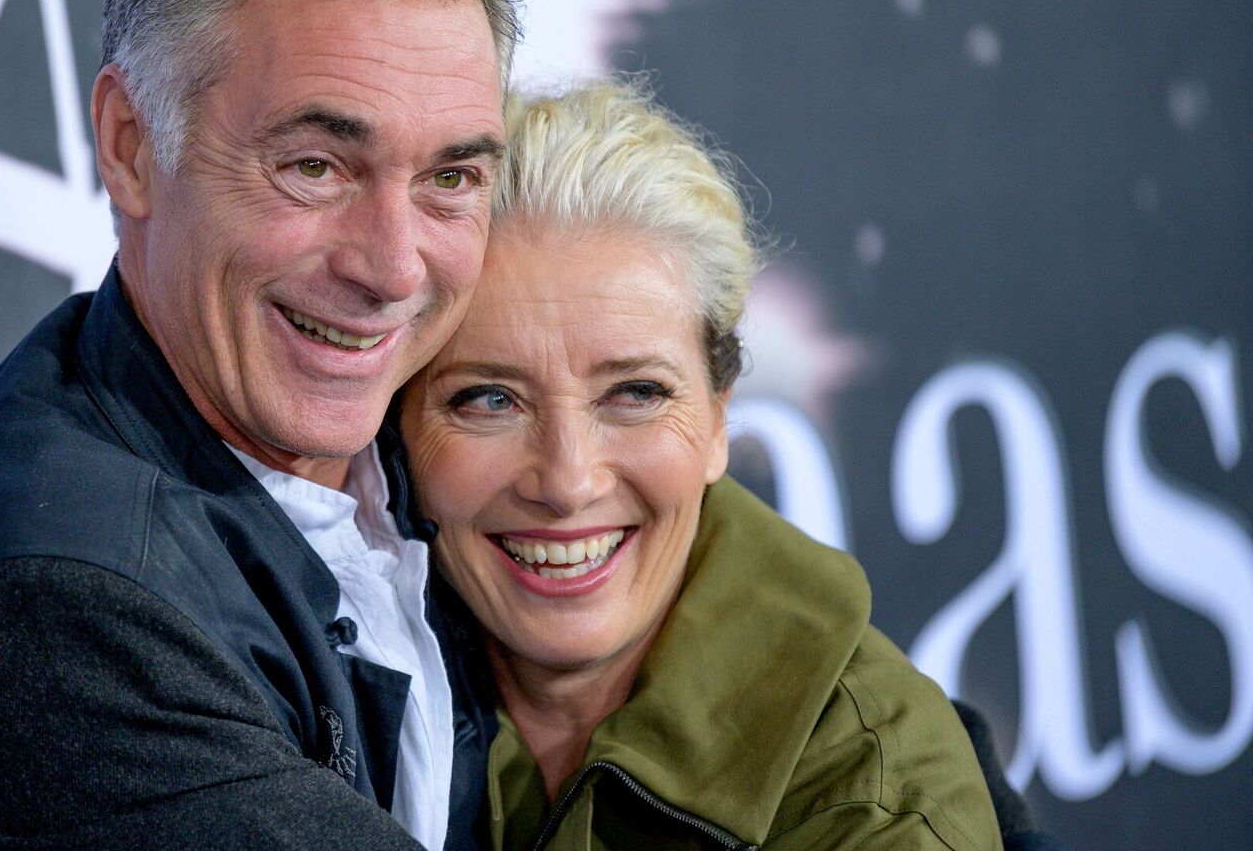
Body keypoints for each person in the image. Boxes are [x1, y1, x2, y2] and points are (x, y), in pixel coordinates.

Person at [0, 0, 525, 850]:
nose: (392, 264)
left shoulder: (433, 448)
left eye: (450, 179)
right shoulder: (45, 606)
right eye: (316, 165)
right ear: (129, 145)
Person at [398, 80, 1008, 849]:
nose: (567, 481)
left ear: (719, 416)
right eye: (489, 400)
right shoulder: (323, 675)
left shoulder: (870, 803)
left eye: (635, 393)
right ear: (397, 419)